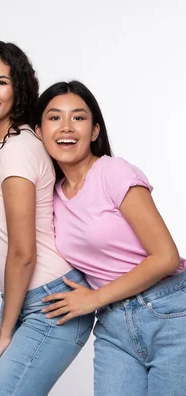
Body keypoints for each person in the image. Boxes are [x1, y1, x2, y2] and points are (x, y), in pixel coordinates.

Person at [0, 41, 94, 395]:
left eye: (1, 82)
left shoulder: (17, 149)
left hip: (51, 300)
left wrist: (5, 332)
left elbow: (22, 251)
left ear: (19, 88)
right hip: (26, 297)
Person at [34, 80, 186, 396]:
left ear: (94, 131)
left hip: (170, 312)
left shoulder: (114, 172)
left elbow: (166, 257)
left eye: (78, 117)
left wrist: (93, 298)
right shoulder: (52, 197)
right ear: (38, 131)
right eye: (54, 117)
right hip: (114, 326)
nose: (66, 127)